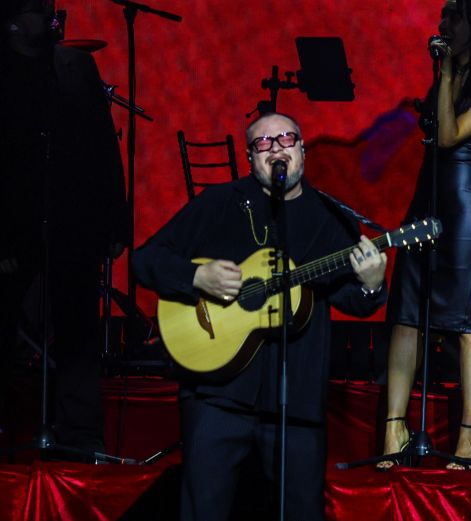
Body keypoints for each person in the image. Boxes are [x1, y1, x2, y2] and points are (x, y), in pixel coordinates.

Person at [132, 112, 388, 520]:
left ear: (302, 150)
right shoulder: (220, 203)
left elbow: (353, 300)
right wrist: (197, 277)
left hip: (295, 402)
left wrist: (372, 284)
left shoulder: (330, 218)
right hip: (217, 392)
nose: (276, 149)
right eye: (263, 143)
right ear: (250, 157)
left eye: (287, 139)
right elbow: (145, 261)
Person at [380, 0, 471, 470]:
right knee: (407, 308)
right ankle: (394, 427)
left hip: (465, 203)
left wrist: (448, 70)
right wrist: (446, 74)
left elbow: (452, 135)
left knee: (466, 313)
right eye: (444, 14)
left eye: (455, 15)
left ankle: (469, 435)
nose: (444, 24)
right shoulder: (447, 76)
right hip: (428, 193)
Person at [0, 0, 128, 458]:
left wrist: (116, 220)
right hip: (16, 227)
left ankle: (80, 438)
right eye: (37, 9)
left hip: (74, 224)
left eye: (51, 7)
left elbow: (102, 146)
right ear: (13, 23)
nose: (51, 15)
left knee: (78, 333)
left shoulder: (75, 67)